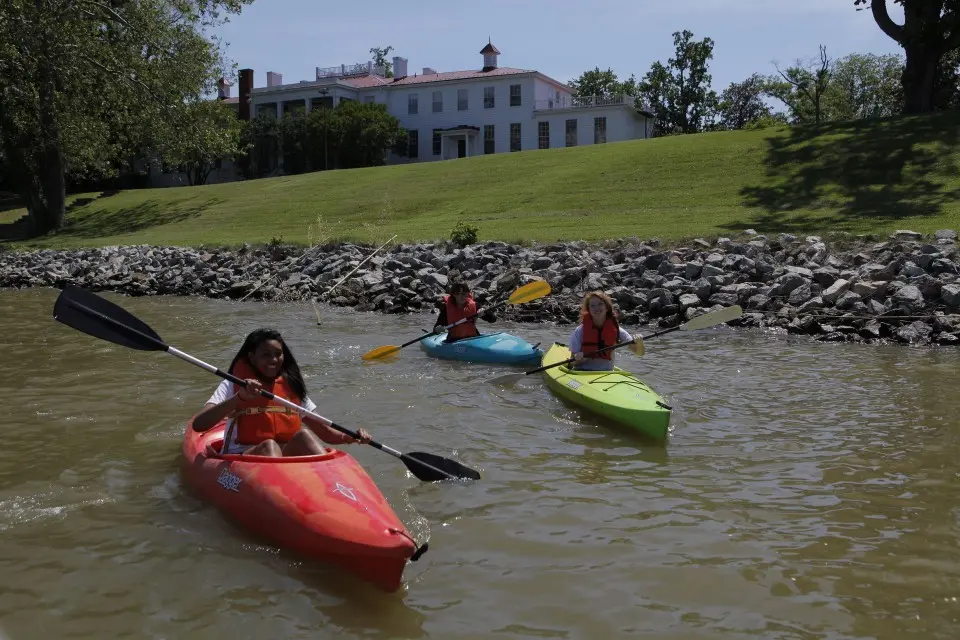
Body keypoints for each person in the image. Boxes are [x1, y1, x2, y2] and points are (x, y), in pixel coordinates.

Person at [192, 328, 372, 456]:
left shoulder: (291, 387)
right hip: (242, 457)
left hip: (284, 458)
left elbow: (324, 432)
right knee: (269, 447)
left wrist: (350, 437)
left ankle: (329, 486)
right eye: (266, 354)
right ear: (251, 357)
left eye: (278, 354)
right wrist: (238, 399)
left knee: (304, 436)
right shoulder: (233, 385)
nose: (273, 360)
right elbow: (199, 424)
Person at [569, 291, 644, 371]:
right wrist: (578, 359)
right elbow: (572, 362)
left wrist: (639, 343)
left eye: (600, 304)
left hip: (606, 373)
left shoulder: (617, 330)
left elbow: (639, 353)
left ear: (607, 308)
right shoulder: (580, 331)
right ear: (589, 310)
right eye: (592, 306)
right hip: (582, 373)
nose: (596, 308)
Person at [432, 280, 497, 343]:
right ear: (453, 295)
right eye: (457, 294)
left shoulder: (475, 306)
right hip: (454, 341)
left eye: (463, 294)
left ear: (467, 294)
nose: (461, 297)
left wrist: (484, 313)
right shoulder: (447, 309)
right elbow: (436, 328)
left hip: (473, 338)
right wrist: (438, 329)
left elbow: (493, 319)